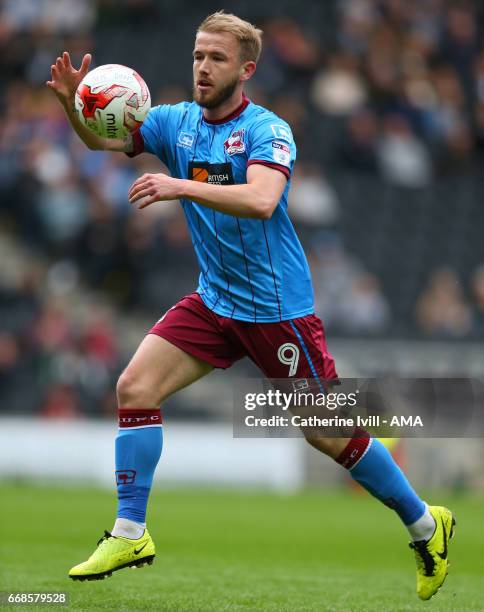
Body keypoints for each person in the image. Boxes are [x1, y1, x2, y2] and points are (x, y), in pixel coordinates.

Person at [47, 11, 454, 600]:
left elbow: (263, 200)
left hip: (276, 309)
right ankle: (131, 531)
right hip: (215, 301)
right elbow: (106, 137)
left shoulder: (269, 130)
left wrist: (180, 186)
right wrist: (71, 106)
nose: (202, 68)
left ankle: (425, 524)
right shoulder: (173, 122)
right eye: (196, 56)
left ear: (246, 69)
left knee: (327, 432)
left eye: (215, 59)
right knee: (134, 388)